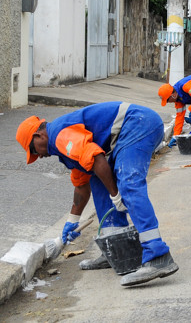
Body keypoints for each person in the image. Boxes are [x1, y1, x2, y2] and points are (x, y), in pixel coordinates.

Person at [15, 102, 178, 287]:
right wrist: (72, 221)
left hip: (139, 123)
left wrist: (116, 195)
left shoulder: (60, 136)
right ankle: (116, 251)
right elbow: (81, 186)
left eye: (35, 150)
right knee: (98, 181)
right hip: (131, 128)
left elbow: (97, 159)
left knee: (128, 182)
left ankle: (158, 255)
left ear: (38, 136)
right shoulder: (62, 144)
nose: (39, 156)